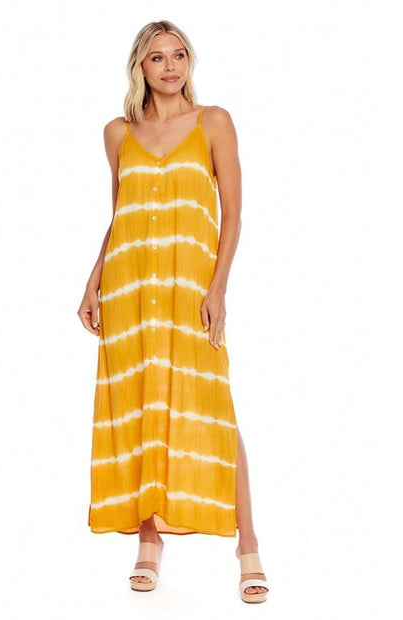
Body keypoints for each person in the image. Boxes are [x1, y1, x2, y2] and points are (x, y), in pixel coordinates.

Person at [77, 20, 269, 604]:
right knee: (139, 405)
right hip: (130, 289)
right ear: (140, 66)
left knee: (212, 407)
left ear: (189, 62)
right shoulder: (118, 133)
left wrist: (218, 288)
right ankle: (148, 541)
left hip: (190, 288)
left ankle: (249, 546)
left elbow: (233, 214)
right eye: (157, 57)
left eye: (179, 55)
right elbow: (121, 214)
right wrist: (93, 281)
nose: (170, 66)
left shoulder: (214, 122)